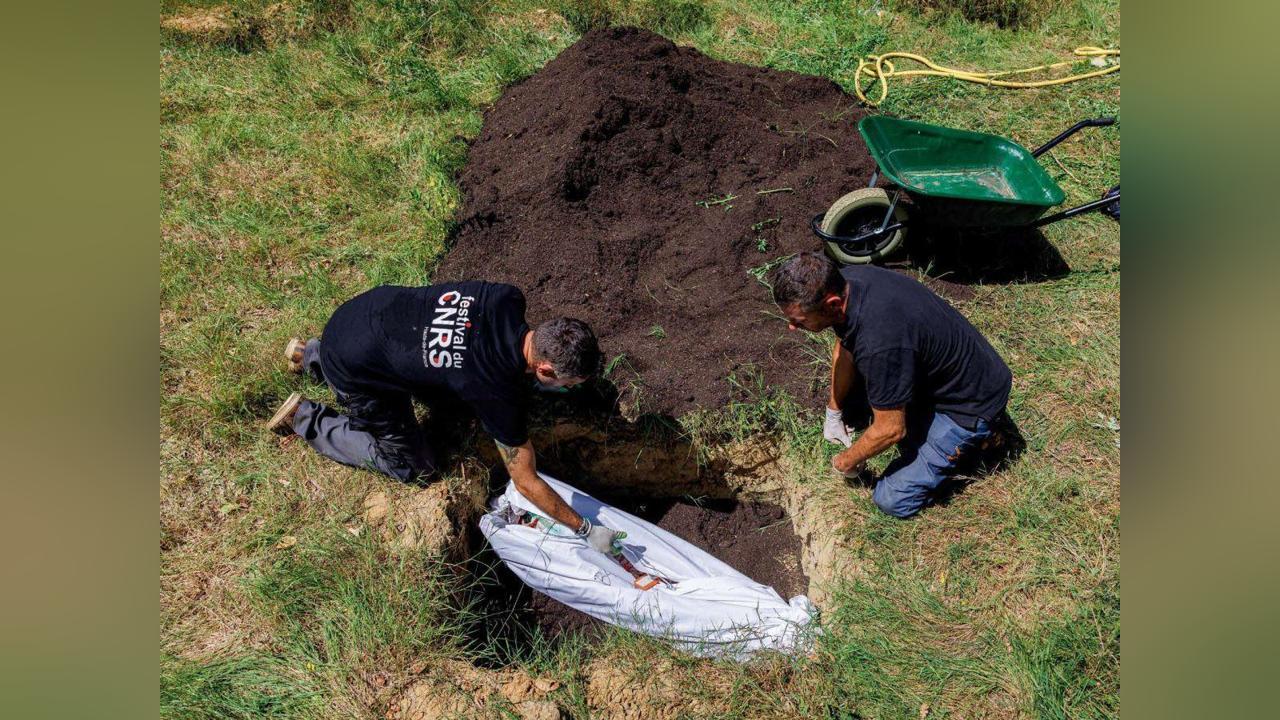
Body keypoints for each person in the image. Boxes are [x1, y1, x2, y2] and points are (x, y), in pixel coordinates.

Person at [266, 281, 621, 552]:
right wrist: (586, 530)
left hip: (359, 313)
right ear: (544, 369)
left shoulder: (506, 298)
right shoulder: (494, 389)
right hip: (356, 368)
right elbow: (526, 482)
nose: (569, 390)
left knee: (425, 369)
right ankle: (306, 417)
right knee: (413, 466)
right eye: (569, 384)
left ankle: (311, 353)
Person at [769, 252, 1013, 518]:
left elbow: (891, 430)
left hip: (970, 405)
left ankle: (981, 443)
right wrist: (834, 411)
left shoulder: (880, 344)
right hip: (953, 370)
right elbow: (846, 345)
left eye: (799, 321)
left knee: (891, 498)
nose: (791, 327)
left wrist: (846, 461)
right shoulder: (850, 280)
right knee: (859, 408)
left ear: (832, 303)